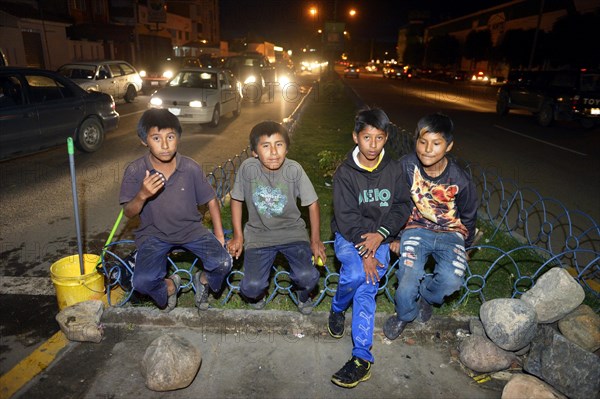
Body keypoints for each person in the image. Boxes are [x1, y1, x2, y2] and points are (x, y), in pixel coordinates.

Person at [327, 107, 411, 388]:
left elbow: (401, 206)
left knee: (367, 286)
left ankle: (361, 358)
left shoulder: (394, 169)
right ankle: (338, 308)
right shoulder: (345, 174)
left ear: (386, 138)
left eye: (378, 138)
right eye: (366, 138)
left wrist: (382, 235)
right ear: (356, 137)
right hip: (350, 238)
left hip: (383, 238)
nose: (372, 145)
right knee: (355, 274)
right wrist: (365, 252)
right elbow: (347, 219)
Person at [119, 108, 232, 313]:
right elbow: (129, 212)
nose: (164, 145)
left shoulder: (190, 168)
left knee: (223, 262)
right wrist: (142, 195)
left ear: (178, 138)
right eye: (156, 138)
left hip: (192, 231)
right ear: (144, 140)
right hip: (154, 235)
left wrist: (219, 235)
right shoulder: (136, 170)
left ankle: (203, 280)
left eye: (170, 137)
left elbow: (211, 200)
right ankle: (171, 285)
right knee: (143, 282)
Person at [383, 112, 478, 340]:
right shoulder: (406, 167)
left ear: (449, 146)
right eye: (422, 142)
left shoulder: (460, 179)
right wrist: (394, 237)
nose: (427, 149)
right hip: (415, 228)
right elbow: (395, 202)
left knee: (451, 279)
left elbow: (469, 214)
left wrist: (465, 247)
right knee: (407, 278)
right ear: (415, 140)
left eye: (436, 144)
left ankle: (427, 295)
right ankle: (404, 315)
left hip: (451, 233)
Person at [227, 121, 327, 315]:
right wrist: (238, 236)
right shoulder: (248, 169)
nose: (273, 152)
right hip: (258, 235)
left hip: (293, 233)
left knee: (308, 277)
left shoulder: (294, 170)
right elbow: (236, 199)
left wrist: (315, 240)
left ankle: (303, 294)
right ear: (254, 151)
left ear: (287, 148)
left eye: (279, 144)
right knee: (251, 287)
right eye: (266, 146)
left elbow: (313, 203)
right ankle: (259, 293)